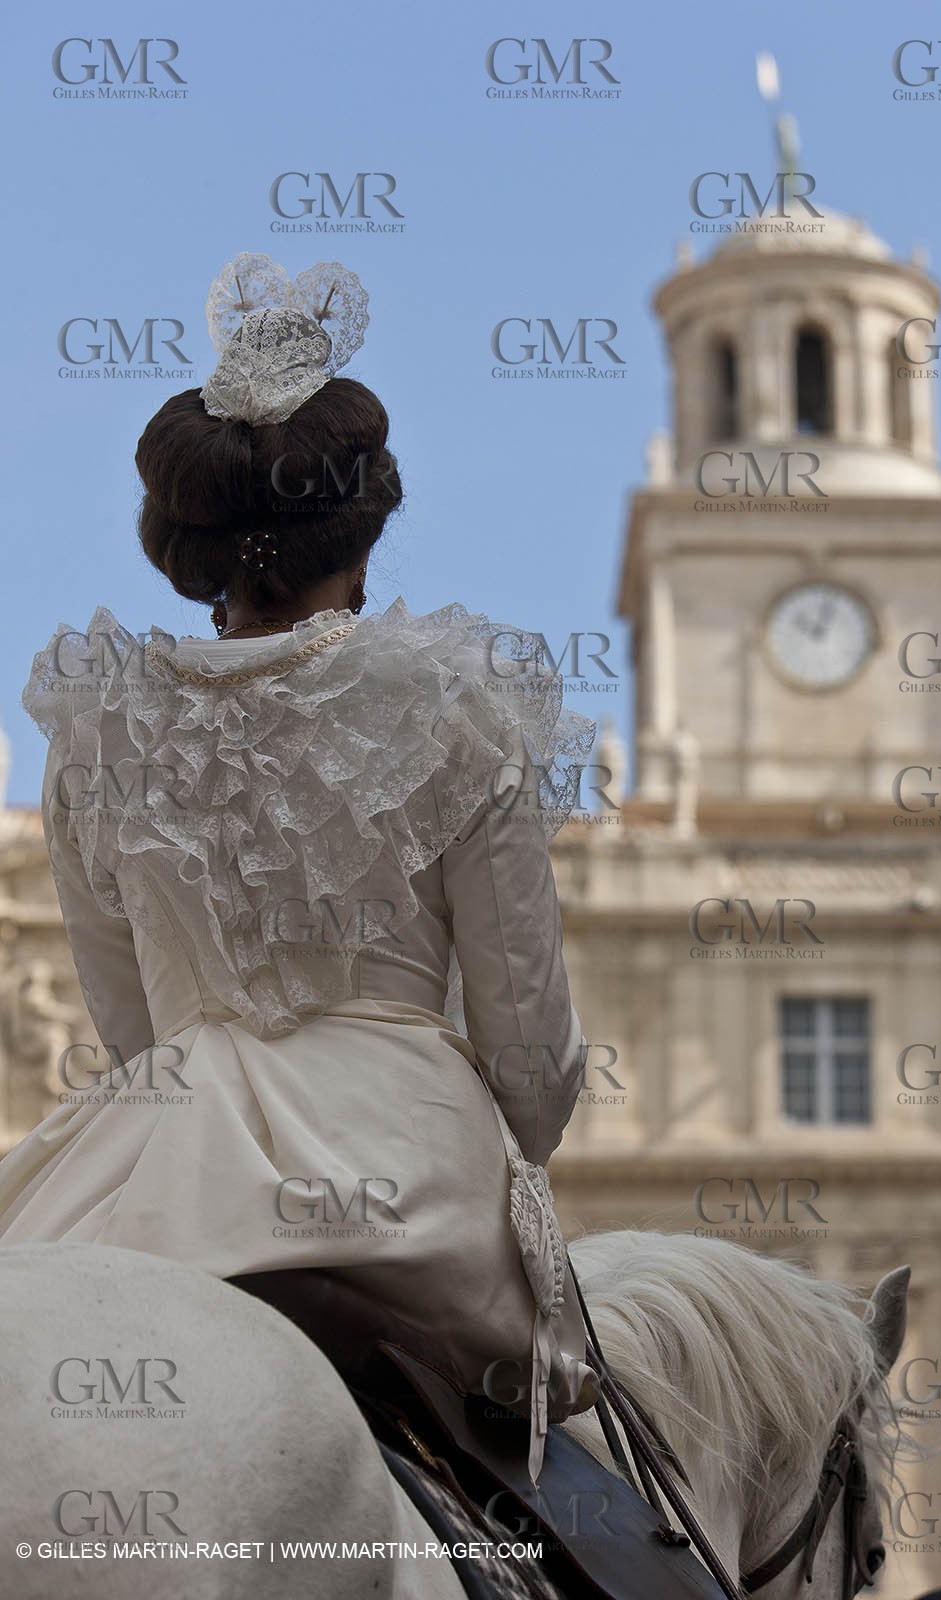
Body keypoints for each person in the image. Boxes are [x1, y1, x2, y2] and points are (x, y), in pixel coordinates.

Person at [0, 254, 598, 1479]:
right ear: (363, 535)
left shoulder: (96, 730)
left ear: (191, 544)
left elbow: (135, 1035)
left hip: (163, 1165)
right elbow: (531, 1066)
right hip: (406, 1177)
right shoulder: (455, 703)